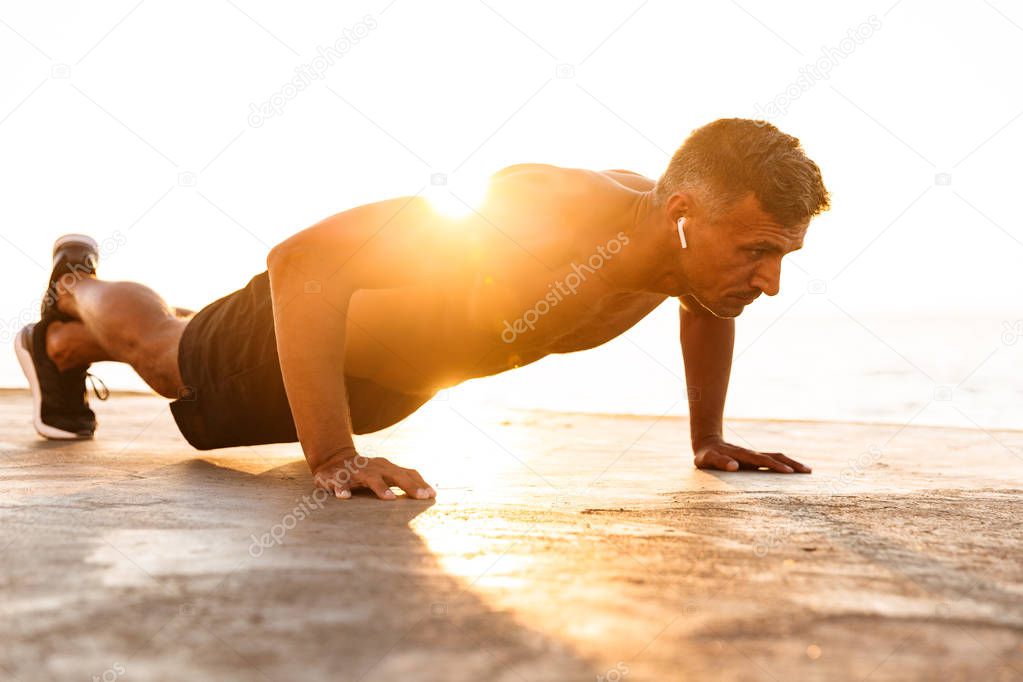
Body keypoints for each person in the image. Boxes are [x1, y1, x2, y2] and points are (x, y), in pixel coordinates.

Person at [15, 118, 829, 501]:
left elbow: (704, 300)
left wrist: (706, 437)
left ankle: (67, 347)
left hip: (389, 385)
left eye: (779, 257)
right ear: (684, 213)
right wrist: (331, 454)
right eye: (755, 252)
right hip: (291, 335)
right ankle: (71, 293)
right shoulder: (548, 214)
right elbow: (301, 263)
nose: (767, 282)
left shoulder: (684, 255)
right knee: (164, 353)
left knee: (179, 342)